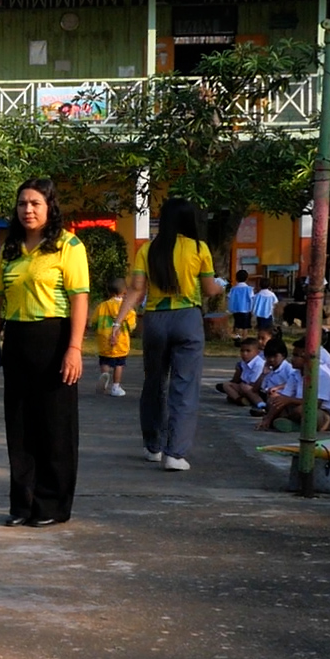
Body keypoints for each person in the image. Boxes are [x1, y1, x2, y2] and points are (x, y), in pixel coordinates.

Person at [0, 178, 89, 525]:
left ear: (50, 207)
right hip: (17, 340)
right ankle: (22, 504)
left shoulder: (68, 246)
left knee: (55, 425)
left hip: (54, 338)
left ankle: (52, 505)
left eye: (35, 203)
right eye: (22, 204)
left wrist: (74, 348)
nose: (27, 210)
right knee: (20, 424)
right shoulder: (10, 247)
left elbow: (79, 299)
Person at [117, 197, 222, 470]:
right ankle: (175, 453)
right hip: (187, 318)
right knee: (184, 386)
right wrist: (222, 287)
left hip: (155, 321)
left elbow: (137, 290)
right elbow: (210, 289)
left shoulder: (148, 249)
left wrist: (118, 322)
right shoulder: (199, 248)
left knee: (154, 383)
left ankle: (153, 446)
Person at [93, 277, 135, 398]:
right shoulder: (127, 307)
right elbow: (132, 325)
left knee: (105, 361)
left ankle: (105, 375)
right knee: (119, 364)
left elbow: (94, 322)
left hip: (104, 340)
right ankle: (116, 386)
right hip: (120, 342)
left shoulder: (101, 306)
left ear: (109, 292)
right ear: (125, 292)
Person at [218, 337, 267, 406]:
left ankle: (259, 403)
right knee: (226, 385)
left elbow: (254, 384)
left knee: (244, 387)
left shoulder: (258, 364)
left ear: (257, 352)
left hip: (258, 390)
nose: (244, 354)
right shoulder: (244, 363)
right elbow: (237, 380)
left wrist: (241, 387)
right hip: (244, 387)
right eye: (242, 351)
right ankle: (240, 400)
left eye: (248, 351)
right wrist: (238, 371)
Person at [226, 269, 254, 338]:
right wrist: (252, 308)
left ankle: (237, 337)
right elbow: (251, 299)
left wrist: (230, 308)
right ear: (247, 278)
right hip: (246, 310)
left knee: (237, 325)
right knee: (245, 327)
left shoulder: (233, 289)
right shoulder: (249, 289)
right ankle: (244, 338)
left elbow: (228, 297)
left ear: (236, 278)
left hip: (236, 310)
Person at [251, 277, 278, 344]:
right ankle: (268, 340)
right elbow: (276, 302)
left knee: (261, 329)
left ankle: (261, 340)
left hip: (260, 315)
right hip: (269, 314)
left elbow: (254, 303)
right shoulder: (271, 294)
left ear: (259, 285)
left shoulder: (257, 295)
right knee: (269, 330)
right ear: (269, 285)